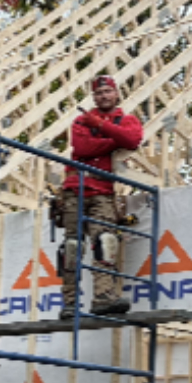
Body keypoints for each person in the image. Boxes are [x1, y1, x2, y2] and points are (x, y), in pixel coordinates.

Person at [60, 75, 143, 320]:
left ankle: (102, 298)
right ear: (93, 97)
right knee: (72, 246)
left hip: (103, 191)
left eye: (107, 92)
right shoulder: (80, 122)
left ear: (116, 94)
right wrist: (112, 139)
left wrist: (99, 125)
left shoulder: (126, 119)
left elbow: (132, 139)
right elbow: (83, 148)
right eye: (98, 93)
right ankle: (69, 303)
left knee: (105, 242)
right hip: (75, 187)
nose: (103, 96)